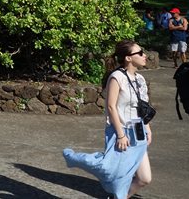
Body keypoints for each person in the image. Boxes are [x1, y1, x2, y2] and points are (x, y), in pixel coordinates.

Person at [63, 40, 152, 199]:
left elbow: (143, 108)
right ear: (128, 58)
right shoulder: (117, 77)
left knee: (144, 179)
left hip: (138, 132)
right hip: (121, 131)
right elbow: (111, 107)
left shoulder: (140, 79)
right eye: (140, 53)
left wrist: (148, 128)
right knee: (108, 168)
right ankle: (75, 158)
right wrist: (120, 135)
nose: (144, 55)